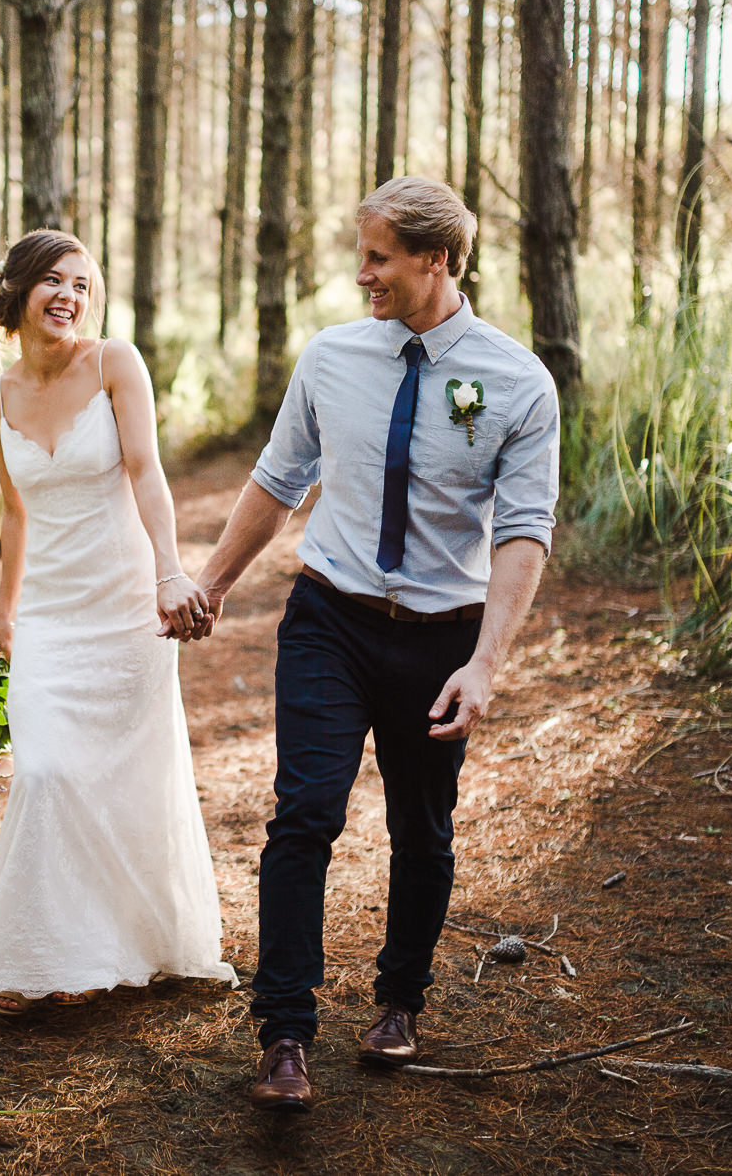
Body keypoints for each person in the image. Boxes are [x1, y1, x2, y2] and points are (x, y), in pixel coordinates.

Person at [185, 177, 559, 1111]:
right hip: (331, 618)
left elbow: (525, 529)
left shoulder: (517, 382)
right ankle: (283, 1032)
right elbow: (277, 479)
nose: (362, 275)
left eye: (379, 257)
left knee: (421, 832)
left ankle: (400, 1000)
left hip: (442, 638)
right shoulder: (331, 356)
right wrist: (214, 582)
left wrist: (485, 663)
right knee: (303, 811)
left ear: (437, 258)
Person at [0, 228, 236, 1016]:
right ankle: (46, 952)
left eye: (82, 284)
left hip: (124, 611)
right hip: (50, 616)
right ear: (17, 292)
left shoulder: (117, 362)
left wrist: (169, 571)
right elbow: (15, 512)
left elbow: (148, 474)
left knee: (124, 781)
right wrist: (5, 614)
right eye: (53, 280)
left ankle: (113, 948)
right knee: (46, 774)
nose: (70, 297)